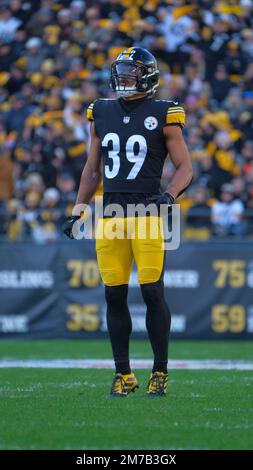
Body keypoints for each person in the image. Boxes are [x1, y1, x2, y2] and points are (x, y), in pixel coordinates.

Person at [63, 47, 193, 397]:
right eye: (121, 70)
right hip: (110, 215)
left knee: (152, 291)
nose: (124, 77)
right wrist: (78, 207)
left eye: (131, 71)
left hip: (148, 213)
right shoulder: (101, 111)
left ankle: (160, 371)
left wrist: (169, 196)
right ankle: (123, 374)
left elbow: (185, 168)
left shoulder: (165, 111)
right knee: (114, 295)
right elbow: (92, 168)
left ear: (147, 75)